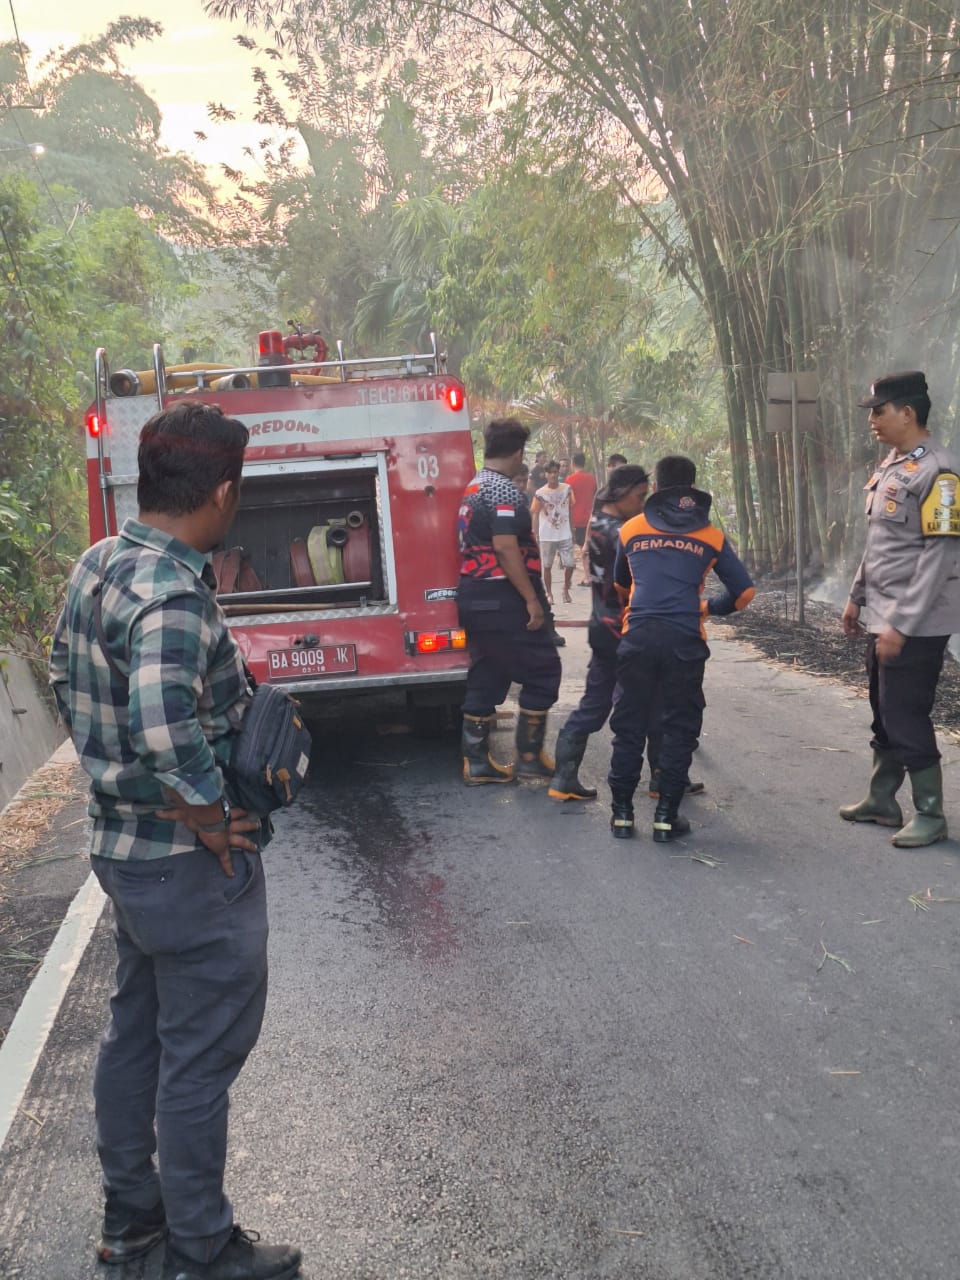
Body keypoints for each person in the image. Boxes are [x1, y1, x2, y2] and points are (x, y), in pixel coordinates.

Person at [49, 401, 302, 1280]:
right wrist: (204, 811)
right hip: (188, 867)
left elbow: (65, 678)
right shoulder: (173, 592)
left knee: (138, 1038)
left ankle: (133, 1224)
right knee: (196, 1063)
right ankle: (201, 1247)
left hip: (122, 853)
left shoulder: (100, 565)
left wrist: (127, 781)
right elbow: (162, 721)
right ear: (224, 493)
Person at [839, 370, 960, 847]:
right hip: (882, 614)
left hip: (917, 621)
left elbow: (941, 555)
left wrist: (902, 625)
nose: (872, 420)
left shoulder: (940, 473)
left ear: (907, 412)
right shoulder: (892, 465)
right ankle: (882, 798)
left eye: (879, 410)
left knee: (905, 712)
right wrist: (856, 596)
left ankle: (931, 814)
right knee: (882, 706)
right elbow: (880, 544)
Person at [607, 455, 754, 841]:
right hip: (684, 642)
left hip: (637, 637)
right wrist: (706, 607)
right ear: (692, 489)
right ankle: (666, 817)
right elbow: (745, 593)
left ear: (655, 488)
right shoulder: (712, 536)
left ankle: (621, 815)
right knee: (677, 728)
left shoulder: (631, 530)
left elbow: (621, 585)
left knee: (629, 726)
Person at [457, 418, 562, 783]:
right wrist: (532, 600)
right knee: (544, 669)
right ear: (518, 453)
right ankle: (530, 757)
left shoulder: (474, 485)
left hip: (476, 595)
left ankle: (478, 763)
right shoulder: (501, 490)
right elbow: (505, 547)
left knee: (488, 670)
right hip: (500, 597)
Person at [548, 465, 650, 801]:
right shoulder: (622, 531)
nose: (642, 501)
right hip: (622, 624)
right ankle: (653, 782)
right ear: (622, 493)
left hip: (601, 622)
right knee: (640, 703)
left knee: (595, 702)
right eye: (640, 495)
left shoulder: (597, 523)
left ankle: (563, 780)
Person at [514, 465, 565, 648]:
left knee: (541, 599)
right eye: (516, 481)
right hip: (517, 564)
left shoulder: (523, 499)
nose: (520, 485)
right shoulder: (507, 501)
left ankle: (550, 632)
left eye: (523, 481)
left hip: (530, 562)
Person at [531, 460, 576, 604]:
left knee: (569, 564)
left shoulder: (567, 489)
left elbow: (570, 508)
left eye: (555, 472)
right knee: (547, 566)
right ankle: (549, 593)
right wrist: (535, 533)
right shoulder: (540, 493)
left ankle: (565, 589)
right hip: (547, 535)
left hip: (565, 533)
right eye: (549, 472)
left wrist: (572, 529)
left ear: (558, 473)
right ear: (545, 474)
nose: (552, 475)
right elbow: (535, 513)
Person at [565, 452, 598, 586]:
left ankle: (587, 577)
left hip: (576, 519)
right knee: (588, 546)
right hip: (590, 517)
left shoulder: (569, 480)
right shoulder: (591, 478)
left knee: (584, 548)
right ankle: (590, 575)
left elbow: (567, 501)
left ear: (572, 463)